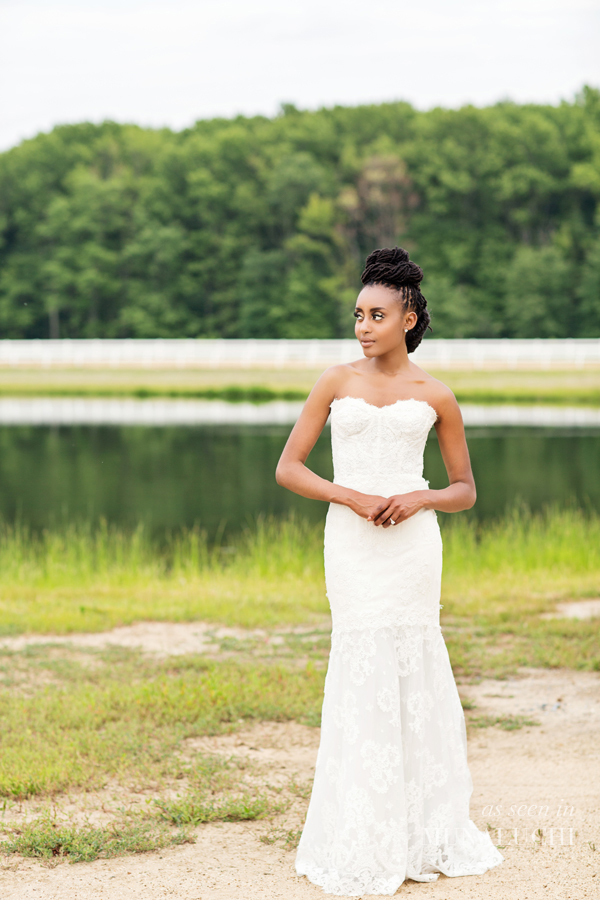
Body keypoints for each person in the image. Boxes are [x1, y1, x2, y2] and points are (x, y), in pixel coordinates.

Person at [275, 247, 504, 895]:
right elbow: (289, 468)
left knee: (412, 657)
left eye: (377, 315)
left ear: (408, 318)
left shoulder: (436, 395)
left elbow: (464, 489)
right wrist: (349, 495)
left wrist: (418, 497)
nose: (363, 326)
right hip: (350, 540)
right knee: (360, 657)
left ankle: (425, 828)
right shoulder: (334, 381)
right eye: (357, 314)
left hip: (412, 546)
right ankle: (359, 828)